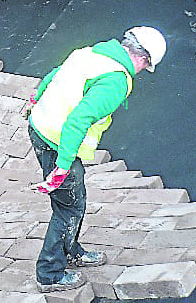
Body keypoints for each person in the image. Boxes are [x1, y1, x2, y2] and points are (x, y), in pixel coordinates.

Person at [27, 26, 167, 292]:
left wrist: (37, 98)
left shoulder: (91, 54)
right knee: (68, 208)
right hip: (58, 143)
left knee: (74, 202)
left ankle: (71, 251)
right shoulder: (117, 81)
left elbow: (54, 75)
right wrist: (62, 167)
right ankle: (50, 274)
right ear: (143, 59)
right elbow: (78, 120)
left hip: (40, 127)